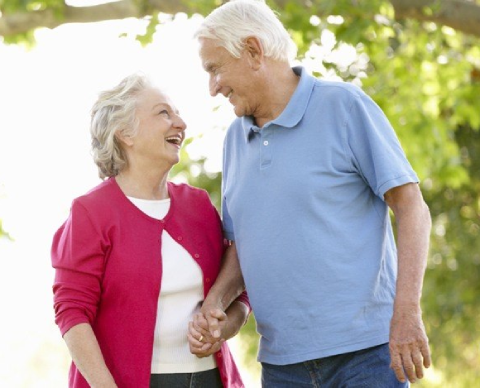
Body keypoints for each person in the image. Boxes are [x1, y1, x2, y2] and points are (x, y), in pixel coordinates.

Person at [191, 0, 432, 386]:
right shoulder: (235, 139)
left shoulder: (345, 107)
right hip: (283, 366)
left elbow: (412, 208)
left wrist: (406, 312)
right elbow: (243, 244)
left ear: (253, 51)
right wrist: (215, 304)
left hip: (365, 357)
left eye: (215, 68)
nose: (213, 87)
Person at [51, 73, 250, 388]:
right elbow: (72, 313)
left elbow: (241, 290)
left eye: (178, 113)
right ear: (125, 134)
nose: (181, 123)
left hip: (211, 379)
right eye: (164, 113)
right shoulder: (90, 213)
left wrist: (223, 329)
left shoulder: (198, 205)